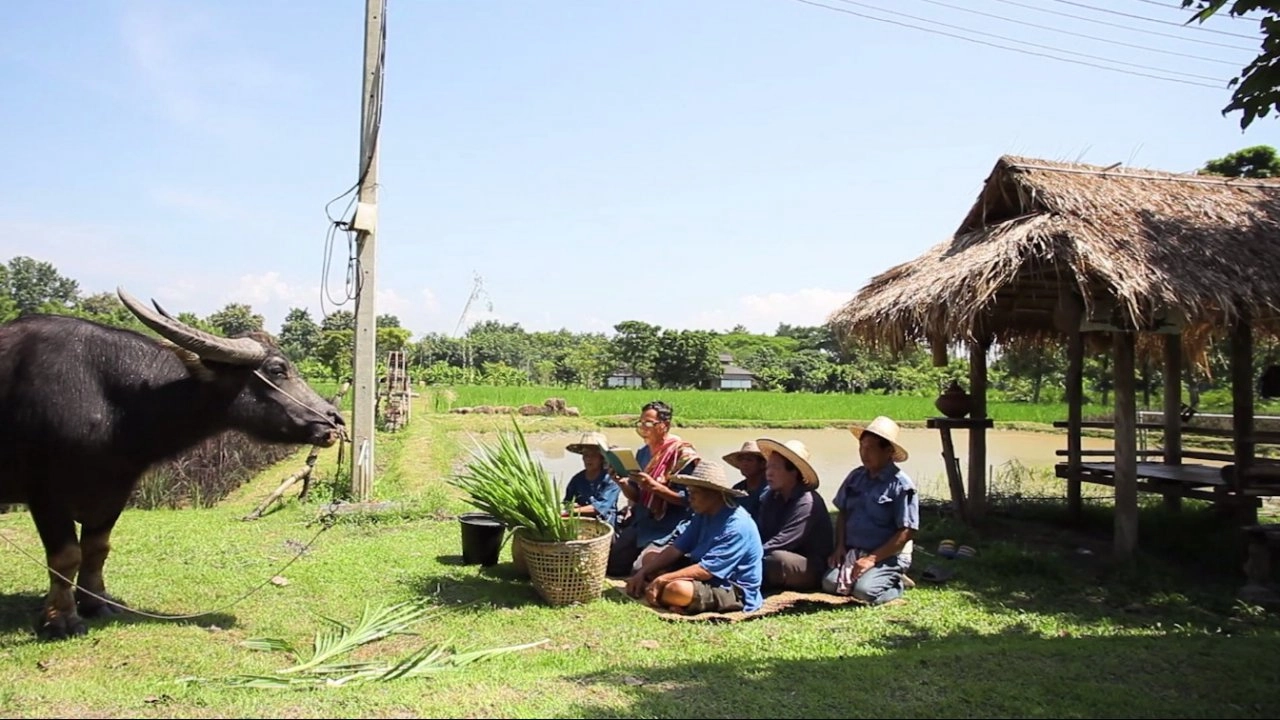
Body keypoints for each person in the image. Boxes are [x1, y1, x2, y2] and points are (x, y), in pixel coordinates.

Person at [624, 460, 763, 614]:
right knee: (650, 559)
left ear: (713, 494)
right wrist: (643, 572)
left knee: (676, 590)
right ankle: (666, 595)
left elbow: (707, 570)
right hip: (702, 570)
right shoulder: (703, 514)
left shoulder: (736, 525)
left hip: (731, 587)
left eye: (694, 494)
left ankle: (661, 592)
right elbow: (676, 548)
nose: (690, 498)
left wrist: (662, 579)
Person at [825, 416, 919, 606]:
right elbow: (843, 512)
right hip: (854, 551)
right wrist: (840, 546)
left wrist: (871, 559)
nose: (864, 453)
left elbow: (907, 531)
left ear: (888, 452)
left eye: (871, 448)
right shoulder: (855, 477)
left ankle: (896, 583)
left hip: (886, 556)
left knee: (864, 592)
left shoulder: (901, 486)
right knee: (829, 584)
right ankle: (872, 577)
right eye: (862, 447)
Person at [606, 400, 698, 577]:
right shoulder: (643, 453)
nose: (643, 427)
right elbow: (637, 494)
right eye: (641, 422)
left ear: (665, 425)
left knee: (642, 568)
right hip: (643, 521)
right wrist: (621, 482)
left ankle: (675, 561)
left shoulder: (683, 455)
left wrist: (655, 487)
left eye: (648, 423)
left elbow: (689, 500)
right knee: (613, 566)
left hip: (669, 525)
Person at [755, 438, 833, 591]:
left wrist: (749, 554)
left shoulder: (807, 501)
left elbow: (785, 540)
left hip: (808, 565)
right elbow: (761, 532)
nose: (768, 473)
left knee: (777, 560)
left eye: (775, 468)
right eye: (767, 467)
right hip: (773, 552)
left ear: (793, 472)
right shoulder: (770, 497)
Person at [562, 431, 622, 528]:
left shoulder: (612, 478)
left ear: (602, 458)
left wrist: (571, 511)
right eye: (586, 455)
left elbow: (600, 508)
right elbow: (567, 502)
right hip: (581, 522)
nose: (588, 459)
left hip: (604, 523)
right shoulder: (577, 479)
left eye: (593, 455)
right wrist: (571, 506)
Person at [723, 440, 768, 519]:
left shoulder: (769, 491)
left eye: (749, 460)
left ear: (762, 464)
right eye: (741, 460)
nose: (744, 463)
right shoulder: (737, 489)